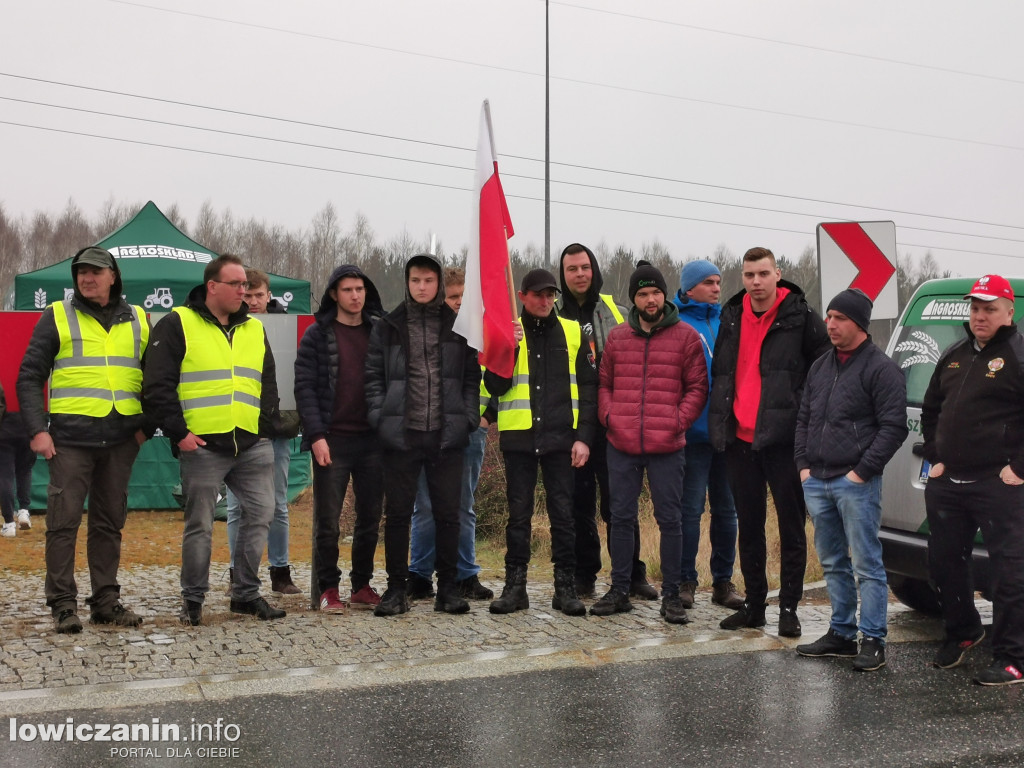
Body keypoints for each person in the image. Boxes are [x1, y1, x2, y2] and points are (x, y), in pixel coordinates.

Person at [144, 253, 285, 626]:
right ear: (212, 286)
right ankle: (193, 600)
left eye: (247, 286)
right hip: (202, 446)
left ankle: (245, 595)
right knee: (200, 525)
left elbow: (267, 382)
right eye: (237, 285)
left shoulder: (254, 328)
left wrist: (264, 428)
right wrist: (180, 434)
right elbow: (157, 386)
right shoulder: (178, 323)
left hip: (252, 445)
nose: (245, 292)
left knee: (261, 516)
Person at [17, 247, 150, 633]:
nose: (87, 278)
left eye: (95, 271)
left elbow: (158, 379)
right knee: (63, 523)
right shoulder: (57, 315)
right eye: (81, 272)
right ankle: (62, 604)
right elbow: (29, 377)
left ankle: (105, 602)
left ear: (113, 276)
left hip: (122, 439)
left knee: (109, 524)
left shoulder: (140, 318)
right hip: (70, 440)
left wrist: (144, 428)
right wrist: (37, 430)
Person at [709, 246, 829, 637]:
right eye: (749, 275)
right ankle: (755, 605)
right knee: (750, 525)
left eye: (763, 274)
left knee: (792, 527)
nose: (756, 282)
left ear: (778, 274)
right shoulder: (730, 316)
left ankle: (789, 608)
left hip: (785, 440)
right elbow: (722, 374)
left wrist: (807, 421)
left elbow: (825, 372)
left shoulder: (802, 318)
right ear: (741, 278)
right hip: (739, 439)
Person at [794, 288, 908, 672]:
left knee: (867, 564)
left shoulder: (881, 368)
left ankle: (872, 639)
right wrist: (803, 466)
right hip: (818, 480)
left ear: (859, 323)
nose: (831, 324)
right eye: (828, 316)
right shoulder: (821, 366)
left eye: (839, 318)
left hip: (855, 483)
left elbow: (893, 428)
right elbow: (805, 418)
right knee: (831, 561)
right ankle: (841, 633)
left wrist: (861, 472)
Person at [590, 263, 707, 624]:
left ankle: (671, 595)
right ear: (634, 299)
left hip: (667, 445)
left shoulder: (685, 337)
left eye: (655, 292)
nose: (650, 299)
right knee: (620, 518)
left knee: (670, 520)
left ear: (664, 294)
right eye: (642, 294)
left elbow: (697, 388)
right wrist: (610, 417)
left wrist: (677, 422)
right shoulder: (618, 338)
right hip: (621, 443)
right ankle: (620, 589)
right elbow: (604, 384)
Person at [922, 274, 1024, 685]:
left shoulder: (1017, 355)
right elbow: (932, 409)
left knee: (1009, 573)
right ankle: (963, 632)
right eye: (975, 308)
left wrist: (1018, 467)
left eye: (989, 308)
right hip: (950, 482)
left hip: (999, 485)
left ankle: (1013, 658)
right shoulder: (955, 354)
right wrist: (934, 456)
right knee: (944, 563)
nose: (980, 316)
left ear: (1009, 311)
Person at [365, 254, 480, 617]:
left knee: (449, 514)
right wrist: (381, 419)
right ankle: (397, 590)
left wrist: (467, 418)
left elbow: (470, 378)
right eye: (416, 280)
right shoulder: (389, 325)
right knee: (398, 515)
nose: (422, 287)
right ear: (407, 282)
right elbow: (373, 378)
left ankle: (447, 590)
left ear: (438, 285)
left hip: (446, 435)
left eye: (429, 281)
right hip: (402, 435)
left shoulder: (460, 325)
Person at [485, 268, 598, 617]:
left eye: (550, 295)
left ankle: (564, 588)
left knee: (563, 516)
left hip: (561, 439)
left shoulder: (573, 331)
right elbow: (495, 386)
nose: (546, 301)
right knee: (517, 517)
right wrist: (507, 346)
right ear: (522, 297)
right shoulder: (507, 333)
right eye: (538, 295)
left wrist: (584, 439)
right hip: (519, 438)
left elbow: (590, 388)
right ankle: (515, 587)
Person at [556, 243, 657, 600]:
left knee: (619, 503)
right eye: (572, 269)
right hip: (571, 424)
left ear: (594, 269)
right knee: (578, 504)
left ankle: (631, 574)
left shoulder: (617, 309)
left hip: (614, 421)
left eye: (585, 267)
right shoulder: (553, 313)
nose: (580, 274)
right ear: (563, 275)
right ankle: (585, 574)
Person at [295, 264, 386, 614]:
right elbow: (304, 387)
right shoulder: (317, 335)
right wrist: (316, 435)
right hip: (332, 440)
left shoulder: (379, 331)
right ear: (334, 293)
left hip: (372, 441)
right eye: (347, 290)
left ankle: (361, 585)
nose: (355, 296)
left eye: (360, 289)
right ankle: (328, 589)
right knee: (328, 521)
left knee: (369, 517)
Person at [407, 267, 494, 602]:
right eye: (453, 296)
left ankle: (464, 574)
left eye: (463, 296)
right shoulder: (428, 331)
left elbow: (499, 374)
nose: (458, 302)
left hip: (471, 431)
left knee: (463, 505)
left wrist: (487, 416)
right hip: (429, 430)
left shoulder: (485, 332)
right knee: (426, 505)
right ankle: (419, 574)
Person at [223, 268, 302, 597]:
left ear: (269, 295)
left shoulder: (287, 328)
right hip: (235, 429)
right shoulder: (227, 326)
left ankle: (280, 572)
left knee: (278, 503)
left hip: (276, 428)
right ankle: (236, 573)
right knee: (236, 507)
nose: (253, 301)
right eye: (248, 294)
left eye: (259, 295)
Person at [673, 260, 744, 610]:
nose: (717, 288)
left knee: (726, 511)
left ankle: (723, 582)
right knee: (689, 511)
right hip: (692, 436)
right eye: (708, 282)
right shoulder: (677, 323)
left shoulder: (727, 321)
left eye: (718, 282)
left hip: (727, 435)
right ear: (689, 288)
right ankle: (686, 581)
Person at [0, 373, 35, 538]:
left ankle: (8, 523)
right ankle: (24, 511)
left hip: (4, 429)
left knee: (5, 476)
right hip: (26, 426)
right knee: (24, 472)